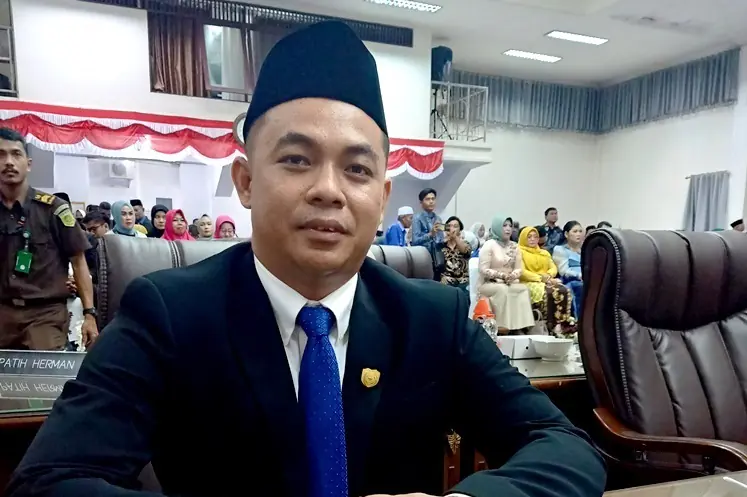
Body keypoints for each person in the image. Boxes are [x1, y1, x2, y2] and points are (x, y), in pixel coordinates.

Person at [8, 21, 605, 497]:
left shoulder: (432, 318)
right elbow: (49, 480)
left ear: (380, 197)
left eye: (358, 169)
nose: (329, 190)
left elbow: (566, 448)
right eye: (296, 160)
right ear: (246, 181)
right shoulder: (170, 314)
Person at [0, 128, 98, 350]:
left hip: (44, 314)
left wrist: (89, 314)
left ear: (28, 164)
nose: (8, 162)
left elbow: (78, 261)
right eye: (1, 155)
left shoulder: (54, 209)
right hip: (3, 311)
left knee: (45, 369)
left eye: (16, 154)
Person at [477, 215, 535, 333]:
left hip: (509, 282)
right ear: (497, 227)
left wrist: (513, 275)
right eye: (504, 225)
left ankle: (519, 327)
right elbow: (483, 269)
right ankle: (502, 326)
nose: (508, 229)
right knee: (502, 290)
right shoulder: (489, 245)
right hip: (489, 283)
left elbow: (519, 269)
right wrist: (501, 275)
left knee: (524, 289)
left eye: (510, 226)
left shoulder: (514, 246)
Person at [518, 227, 574, 336]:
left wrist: (548, 276)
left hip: (547, 280)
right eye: (529, 237)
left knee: (564, 290)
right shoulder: (519, 252)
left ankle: (560, 325)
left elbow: (553, 268)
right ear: (523, 238)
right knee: (547, 292)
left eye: (535, 237)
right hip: (528, 281)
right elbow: (523, 272)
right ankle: (547, 325)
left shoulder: (544, 253)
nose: (533, 239)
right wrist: (540, 278)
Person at [553, 221, 584, 319]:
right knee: (581, 286)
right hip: (570, 280)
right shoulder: (560, 250)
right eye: (575, 231)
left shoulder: (586, 249)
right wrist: (579, 275)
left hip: (586, 278)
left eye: (580, 231)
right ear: (566, 234)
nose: (578, 234)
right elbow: (563, 271)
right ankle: (579, 320)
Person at [439, 216, 471, 295]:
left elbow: (465, 251)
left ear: (460, 230)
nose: (452, 228)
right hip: (447, 280)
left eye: (455, 226)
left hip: (463, 280)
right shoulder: (441, 246)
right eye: (449, 226)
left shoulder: (466, 244)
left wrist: (455, 237)